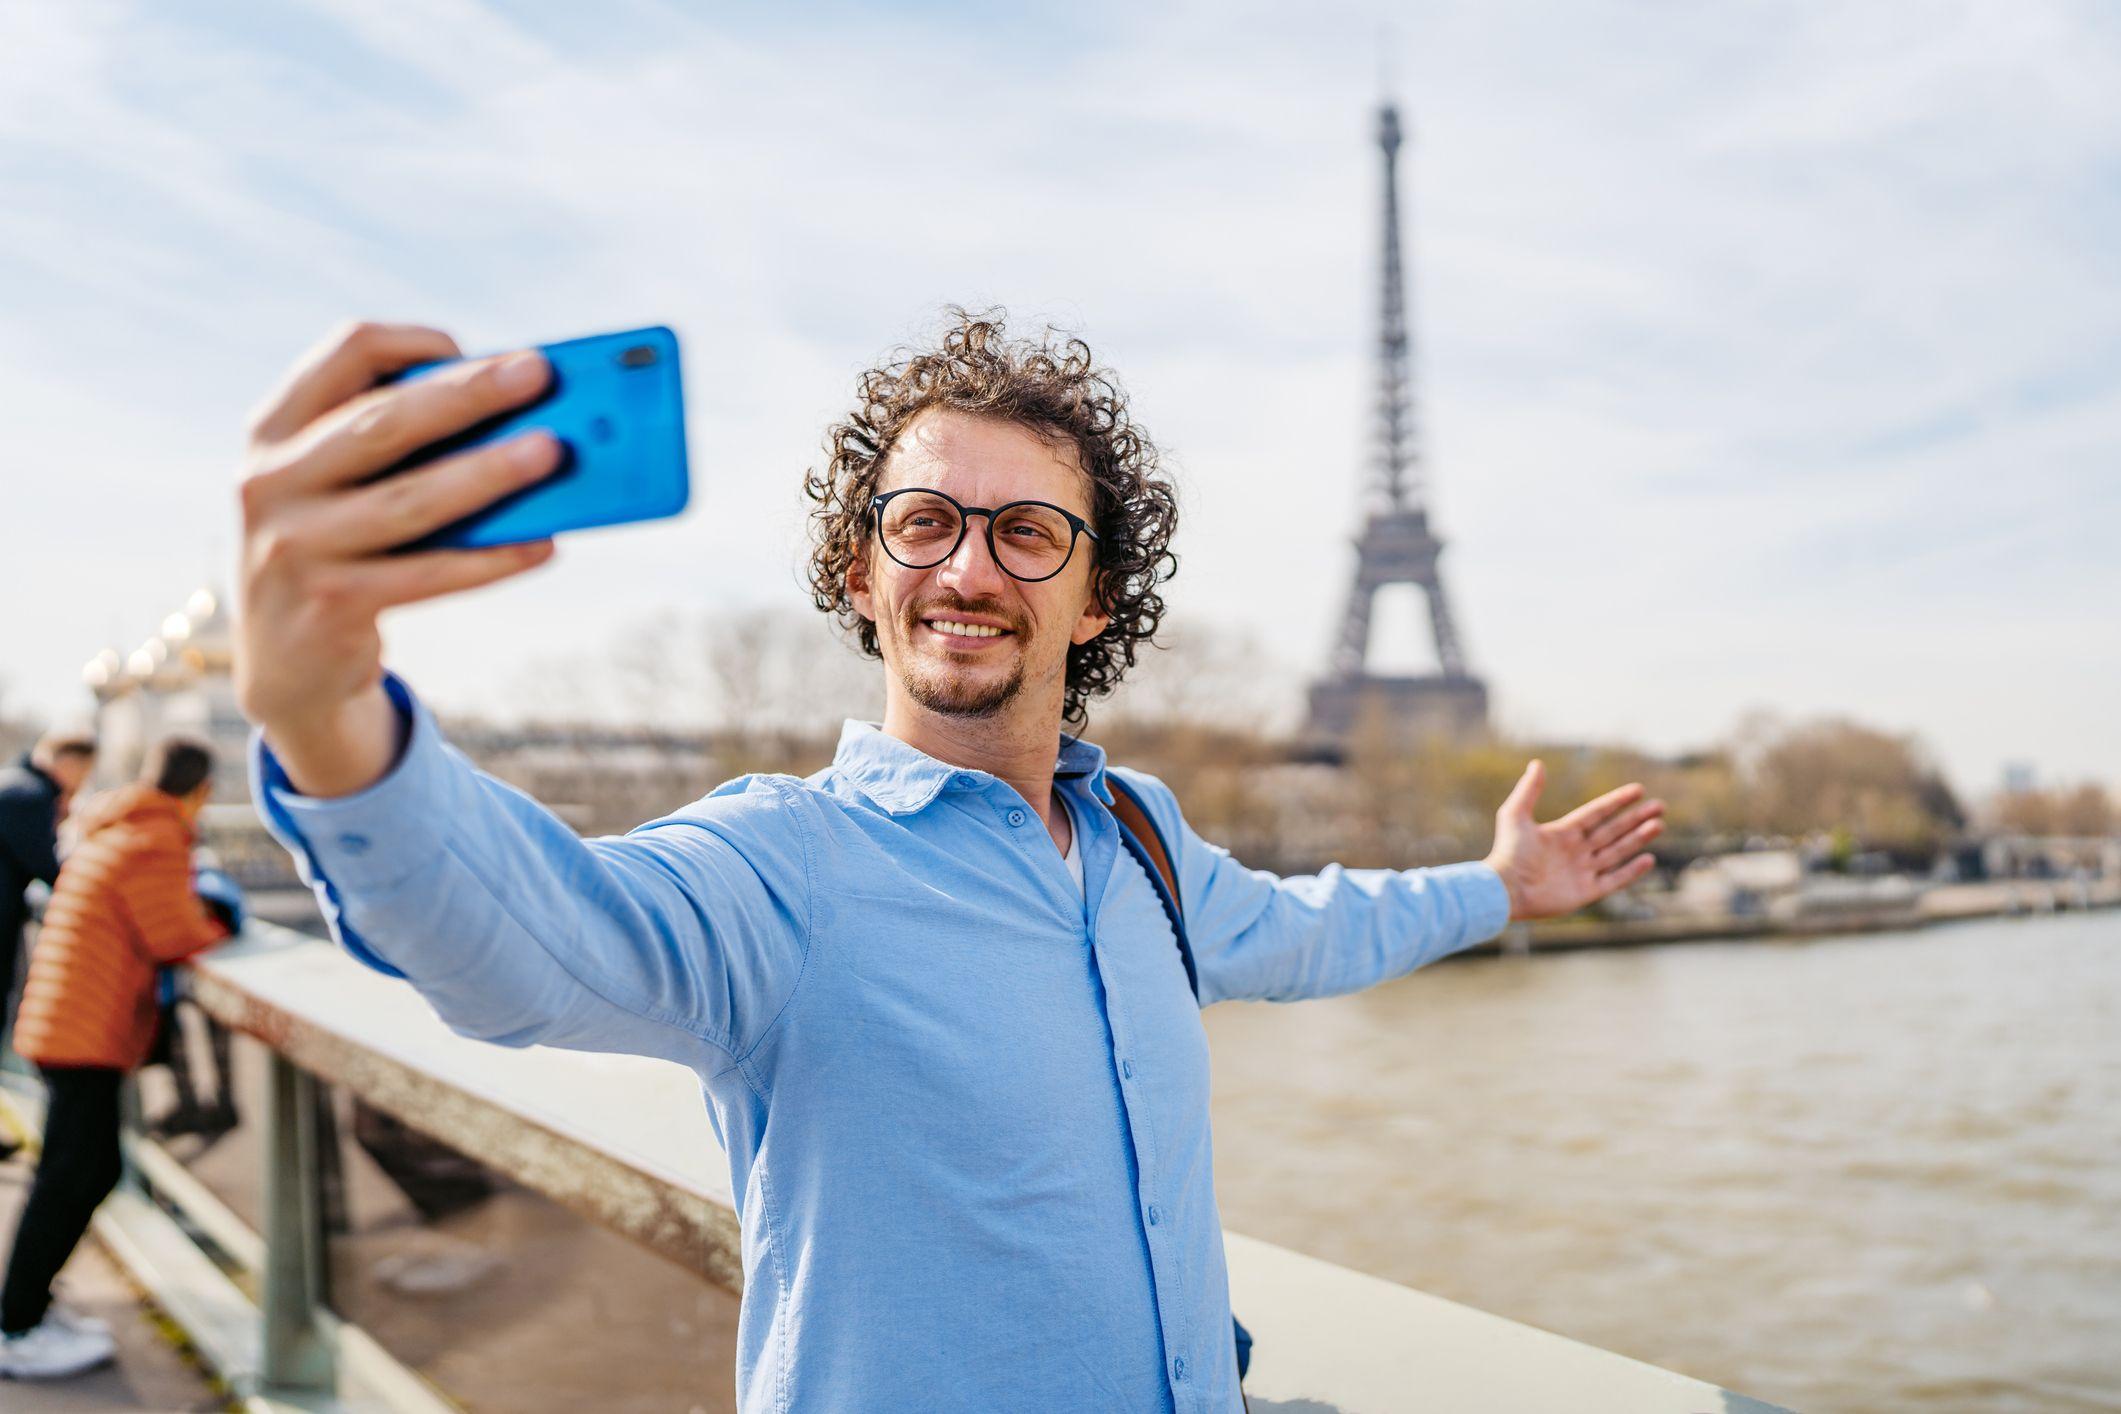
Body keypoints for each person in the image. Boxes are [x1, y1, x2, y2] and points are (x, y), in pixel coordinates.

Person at [234, 314, 1665, 1413]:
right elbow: (535, 942)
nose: (969, 570)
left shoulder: (1142, 840)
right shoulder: (785, 863)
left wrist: (1503, 887)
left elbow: (1311, 928)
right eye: (925, 523)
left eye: (1027, 533)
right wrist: (329, 715)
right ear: (862, 574)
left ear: (1096, 596)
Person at [0, 736, 233, 1382]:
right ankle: (16, 1326)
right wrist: (223, 920)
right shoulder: (155, 838)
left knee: (89, 1169)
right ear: (200, 792)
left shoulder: (117, 827)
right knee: (70, 1176)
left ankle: (30, 1309)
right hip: (84, 1030)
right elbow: (176, 935)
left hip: (69, 1021)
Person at [1, 731, 97, 1048]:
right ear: (70, 764)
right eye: (84, 773)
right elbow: (50, 869)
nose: (80, 785)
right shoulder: (31, 796)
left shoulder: (13, 783)